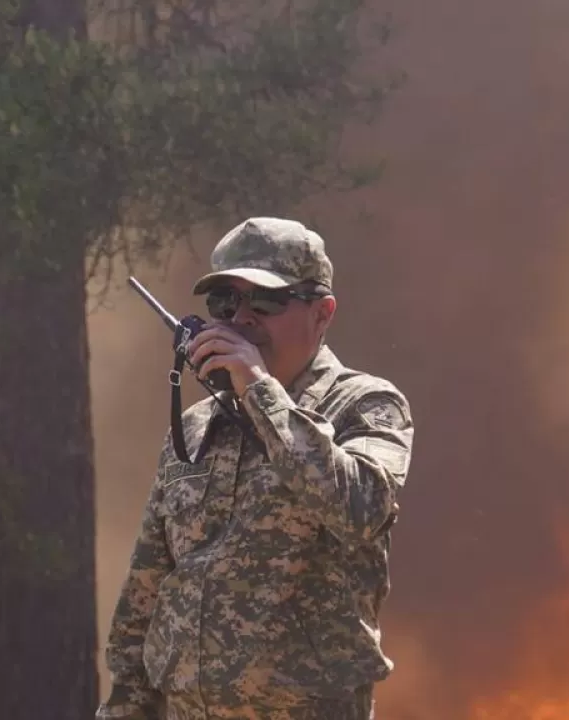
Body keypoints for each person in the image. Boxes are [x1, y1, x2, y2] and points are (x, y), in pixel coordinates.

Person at [96, 217, 415, 720]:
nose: (242, 319)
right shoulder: (198, 427)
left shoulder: (366, 405)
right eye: (226, 303)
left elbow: (360, 508)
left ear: (322, 313)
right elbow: (147, 591)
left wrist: (258, 389)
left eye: (265, 301)